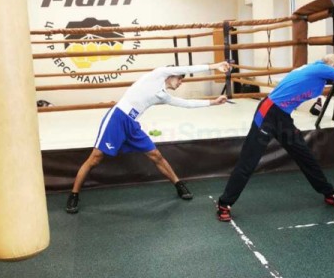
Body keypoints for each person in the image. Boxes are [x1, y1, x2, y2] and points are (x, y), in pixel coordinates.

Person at [216, 54, 334, 222]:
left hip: (283, 117)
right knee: (249, 160)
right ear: (331, 68)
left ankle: (329, 193)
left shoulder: (314, 71)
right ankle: (224, 203)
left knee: (305, 155)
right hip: (268, 113)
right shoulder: (320, 69)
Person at [66, 61, 231, 213]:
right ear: (171, 74)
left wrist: (212, 102)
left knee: (156, 155)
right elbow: (187, 68)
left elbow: (186, 104)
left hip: (132, 124)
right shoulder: (158, 74)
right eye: (180, 78)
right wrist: (214, 66)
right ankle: (74, 195)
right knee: (95, 158)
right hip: (117, 118)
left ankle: (179, 184)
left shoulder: (163, 95)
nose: (181, 82)